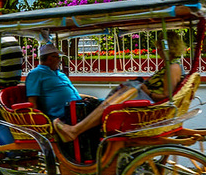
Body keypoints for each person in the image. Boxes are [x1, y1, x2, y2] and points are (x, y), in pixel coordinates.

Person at [52, 30, 187, 142]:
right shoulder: (172, 66)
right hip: (141, 95)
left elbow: (165, 96)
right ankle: (78, 129)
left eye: (159, 47)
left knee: (107, 107)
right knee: (105, 104)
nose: (158, 50)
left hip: (146, 101)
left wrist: (145, 89)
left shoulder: (172, 67)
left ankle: (75, 130)